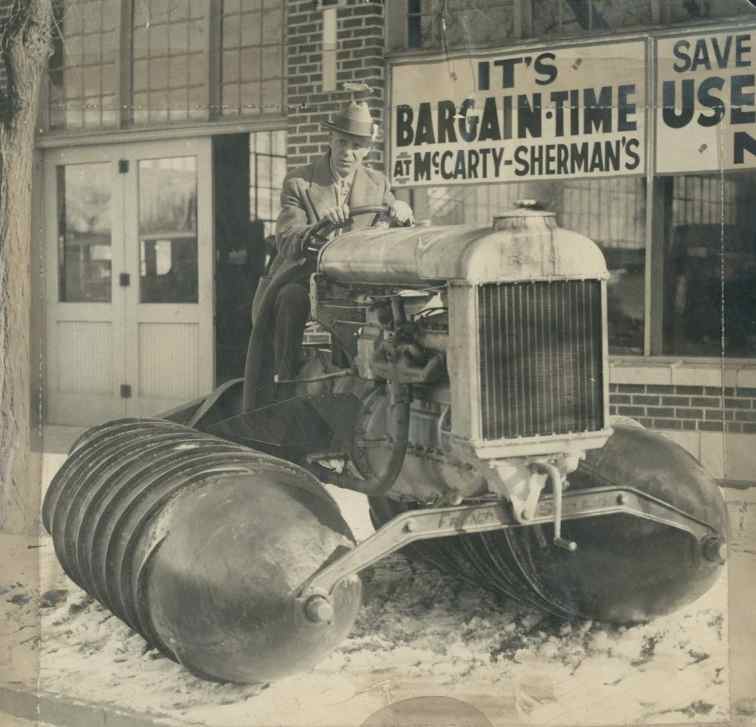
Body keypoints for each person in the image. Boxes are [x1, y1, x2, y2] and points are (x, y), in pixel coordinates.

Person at [255, 101, 414, 391]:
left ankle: (383, 384)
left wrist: (402, 210)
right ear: (330, 139)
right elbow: (288, 239)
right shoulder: (300, 182)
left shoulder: (378, 183)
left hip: (358, 284)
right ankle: (286, 381)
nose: (347, 152)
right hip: (308, 278)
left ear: (366, 149)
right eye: (342, 142)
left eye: (356, 145)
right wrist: (320, 226)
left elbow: (394, 219)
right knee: (291, 298)